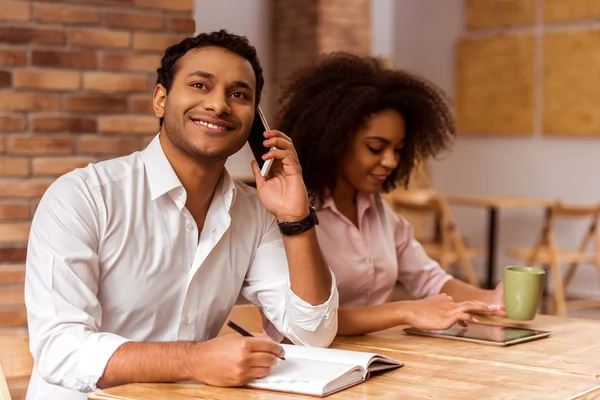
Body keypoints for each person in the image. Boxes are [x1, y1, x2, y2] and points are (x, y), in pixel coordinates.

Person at [24, 30, 338, 400]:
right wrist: (193, 360)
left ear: (254, 121)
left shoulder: (256, 212)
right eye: (200, 85)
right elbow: (60, 350)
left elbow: (313, 331)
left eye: (238, 95)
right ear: (161, 99)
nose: (219, 105)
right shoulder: (83, 197)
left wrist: (296, 219)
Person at [276, 52, 504, 336]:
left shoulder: (380, 213)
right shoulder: (293, 214)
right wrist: (404, 311)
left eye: (398, 150)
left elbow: (429, 278)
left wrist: (493, 300)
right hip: (304, 369)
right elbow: (307, 323)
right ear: (333, 140)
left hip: (372, 360)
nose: (391, 162)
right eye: (375, 147)